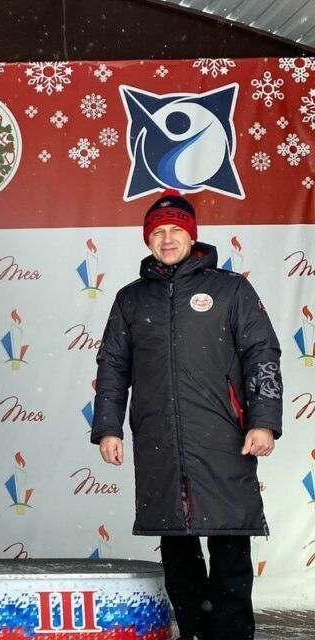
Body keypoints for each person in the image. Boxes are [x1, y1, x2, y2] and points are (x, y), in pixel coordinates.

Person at [92, 189, 282, 640]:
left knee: (229, 548)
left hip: (223, 438)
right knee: (178, 555)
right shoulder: (131, 299)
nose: (167, 239)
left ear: (192, 236)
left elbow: (261, 353)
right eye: (157, 232)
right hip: (160, 441)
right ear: (147, 240)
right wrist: (108, 428)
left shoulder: (231, 289)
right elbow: (113, 366)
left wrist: (263, 421)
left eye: (176, 230)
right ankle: (194, 634)